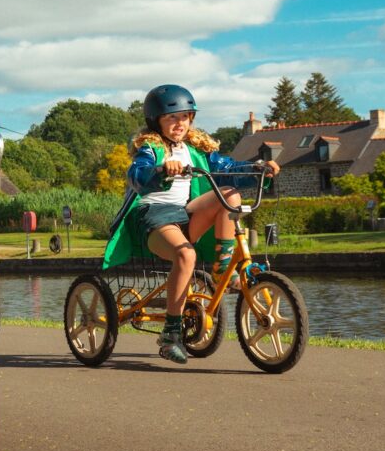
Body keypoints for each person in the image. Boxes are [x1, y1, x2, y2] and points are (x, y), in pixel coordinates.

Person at [107, 84, 279, 364]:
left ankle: (223, 268)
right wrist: (161, 169)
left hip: (185, 214)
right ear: (156, 121)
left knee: (229, 195)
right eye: (172, 118)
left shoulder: (197, 150)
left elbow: (229, 170)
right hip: (153, 216)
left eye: (185, 117)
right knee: (186, 254)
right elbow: (137, 175)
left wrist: (259, 169)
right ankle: (171, 334)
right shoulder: (150, 149)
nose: (179, 124)